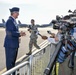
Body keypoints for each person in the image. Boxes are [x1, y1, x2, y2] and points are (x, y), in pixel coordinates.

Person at [4, 7, 26, 73]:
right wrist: (19, 34)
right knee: (10, 63)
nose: (18, 14)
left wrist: (18, 36)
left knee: (13, 62)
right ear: (14, 13)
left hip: (13, 45)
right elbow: (9, 32)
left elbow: (14, 32)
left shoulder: (13, 21)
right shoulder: (10, 21)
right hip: (10, 45)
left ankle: (12, 73)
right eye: (17, 13)